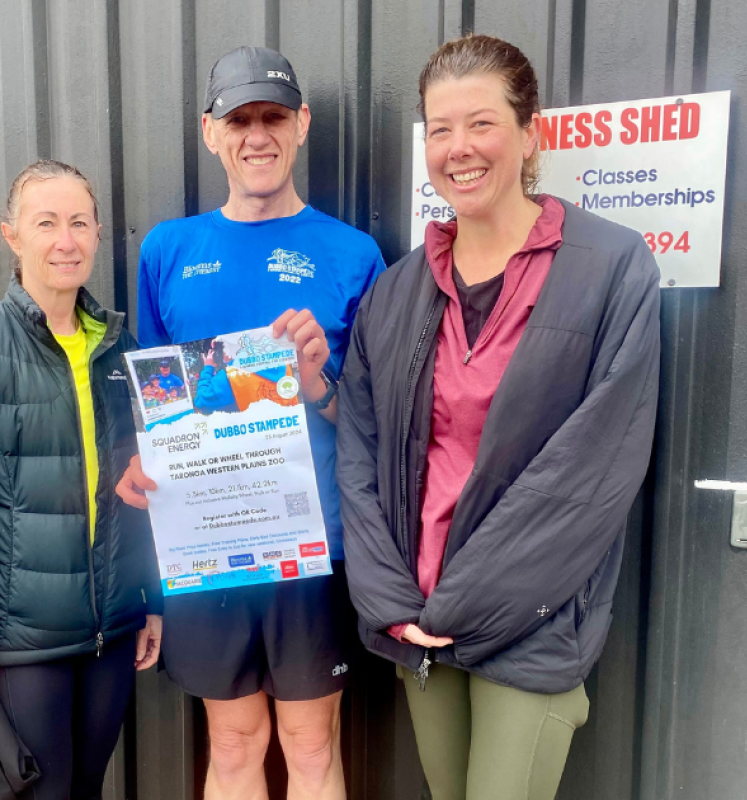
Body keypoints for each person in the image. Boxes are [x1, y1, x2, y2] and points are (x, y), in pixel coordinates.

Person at [337, 35, 661, 800]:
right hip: (417, 623)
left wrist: (462, 603)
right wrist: (390, 602)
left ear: (530, 132)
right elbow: (360, 449)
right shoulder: (397, 290)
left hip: (532, 623)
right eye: (440, 129)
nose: (459, 148)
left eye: (480, 123)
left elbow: (593, 468)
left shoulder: (611, 267)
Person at [117, 46, 385, 800]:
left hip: (311, 541)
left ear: (301, 124)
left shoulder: (354, 255)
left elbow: (374, 416)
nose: (257, 134)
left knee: (310, 743)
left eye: (274, 116)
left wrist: (315, 385)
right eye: (240, 119)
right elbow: (155, 398)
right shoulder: (169, 250)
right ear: (211, 131)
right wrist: (143, 462)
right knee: (232, 741)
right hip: (207, 539)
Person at [0, 159, 164, 800]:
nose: (65, 240)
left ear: (99, 233)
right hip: (22, 644)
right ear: (11, 236)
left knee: (84, 788)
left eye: (79, 222)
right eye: (45, 223)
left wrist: (149, 599)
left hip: (110, 633)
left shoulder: (120, 346)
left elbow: (143, 487)